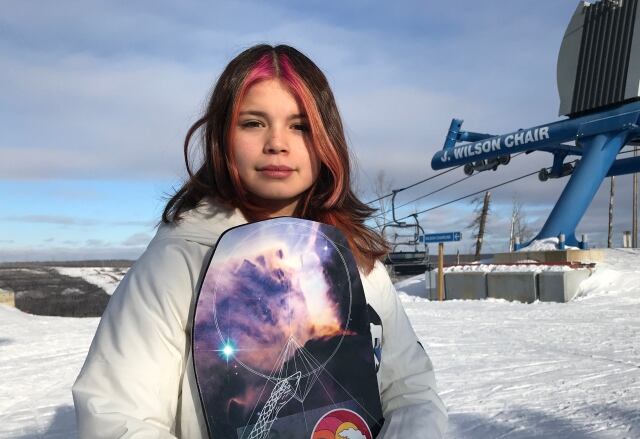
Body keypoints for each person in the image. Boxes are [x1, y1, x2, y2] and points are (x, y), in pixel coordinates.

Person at [72, 44, 447, 438]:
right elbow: (118, 416)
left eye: (299, 125)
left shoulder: (355, 259)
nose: (277, 143)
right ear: (222, 136)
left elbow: (411, 392)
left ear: (325, 139)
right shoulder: (180, 263)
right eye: (253, 123)